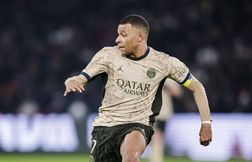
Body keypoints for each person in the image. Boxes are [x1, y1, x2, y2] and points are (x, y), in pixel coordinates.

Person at [64, 14, 212, 162]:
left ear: (140, 37)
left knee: (131, 158)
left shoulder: (163, 62)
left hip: (138, 125)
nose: (117, 39)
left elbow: (197, 87)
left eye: (123, 35)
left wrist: (206, 123)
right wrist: (73, 80)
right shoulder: (108, 55)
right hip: (105, 127)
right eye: (118, 34)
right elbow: (82, 77)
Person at [150, 78, 182, 162]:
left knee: (158, 138)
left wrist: (165, 84)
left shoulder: (168, 76)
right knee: (156, 137)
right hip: (150, 110)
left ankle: (156, 159)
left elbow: (178, 92)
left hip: (163, 112)